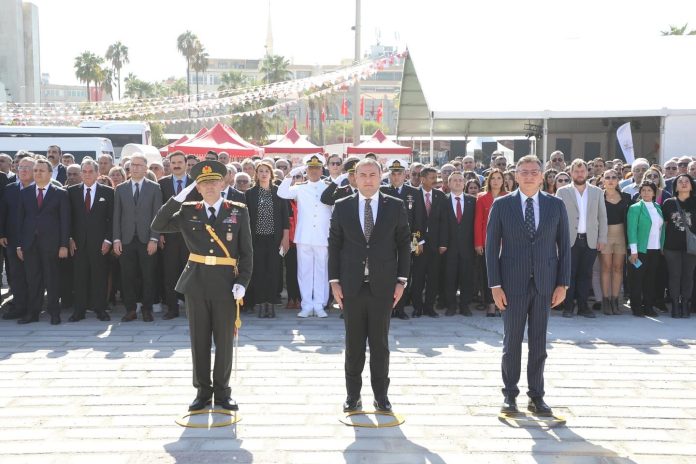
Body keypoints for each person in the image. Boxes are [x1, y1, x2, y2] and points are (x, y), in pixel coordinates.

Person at [152, 160, 253, 412]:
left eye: (214, 182)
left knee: (224, 341)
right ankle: (202, 392)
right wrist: (178, 198)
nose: (209, 187)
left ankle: (223, 392)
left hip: (225, 283)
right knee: (199, 340)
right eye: (203, 183)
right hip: (196, 283)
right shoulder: (188, 211)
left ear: (223, 183)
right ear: (197, 187)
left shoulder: (238, 211)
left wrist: (242, 281)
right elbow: (158, 224)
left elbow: (247, 252)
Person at [486, 155, 571, 417]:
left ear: (542, 175)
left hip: (545, 284)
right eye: (524, 171)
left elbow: (564, 246)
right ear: (516, 175)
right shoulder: (502, 205)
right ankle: (510, 395)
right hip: (512, 284)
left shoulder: (556, 205)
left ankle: (537, 396)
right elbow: (491, 247)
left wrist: (563, 283)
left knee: (539, 343)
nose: (529, 176)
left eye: (534, 171)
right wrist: (495, 285)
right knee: (511, 341)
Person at [328, 158, 411, 413]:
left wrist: (401, 281)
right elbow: (335, 245)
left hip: (383, 286)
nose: (367, 179)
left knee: (380, 345)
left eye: (372, 174)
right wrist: (334, 281)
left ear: (380, 176)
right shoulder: (342, 206)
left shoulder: (394, 205)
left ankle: (381, 396)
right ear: (354, 177)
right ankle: (353, 396)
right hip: (351, 286)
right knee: (353, 345)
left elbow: (403, 244)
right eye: (362, 174)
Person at [16, 157, 70, 325]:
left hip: (51, 245)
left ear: (50, 173)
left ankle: (54, 313)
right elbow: (20, 221)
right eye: (35, 170)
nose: (37, 173)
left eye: (41, 170)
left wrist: (63, 245)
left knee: (52, 279)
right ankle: (33, 313)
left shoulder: (60, 193)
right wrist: (19, 245)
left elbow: (65, 221)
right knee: (33, 280)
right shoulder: (25, 193)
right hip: (30, 244)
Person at [278, 153, 332, 318]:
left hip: (322, 235)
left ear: (322, 169)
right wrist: (292, 173)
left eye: (317, 168)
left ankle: (320, 304)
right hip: (304, 236)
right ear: (306, 170)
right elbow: (282, 192)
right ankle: (307, 305)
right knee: (304, 272)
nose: (314, 171)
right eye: (310, 168)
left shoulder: (328, 187)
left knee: (322, 271)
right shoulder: (300, 187)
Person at [112, 153, 163, 322]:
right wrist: (116, 239)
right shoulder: (121, 188)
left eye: (138, 165)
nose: (134, 168)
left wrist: (154, 239)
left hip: (147, 239)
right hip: (126, 240)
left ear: (145, 168)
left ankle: (147, 309)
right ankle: (131, 309)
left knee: (148, 276)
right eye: (132, 165)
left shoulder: (154, 188)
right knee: (127, 277)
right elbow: (117, 216)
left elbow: (157, 215)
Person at [556, 159, 607, 318]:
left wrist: (602, 238)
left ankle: (583, 306)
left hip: (590, 240)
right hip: (569, 240)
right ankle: (568, 306)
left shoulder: (597, 192)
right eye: (576, 171)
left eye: (582, 171)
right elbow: (557, 218)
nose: (579, 174)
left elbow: (602, 217)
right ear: (571, 173)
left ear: (587, 172)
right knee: (569, 274)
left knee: (586, 274)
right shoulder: (562, 192)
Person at [67, 159, 114, 322]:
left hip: (100, 243)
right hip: (78, 244)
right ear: (81, 173)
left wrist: (108, 240)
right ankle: (79, 311)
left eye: (90, 171)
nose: (87, 175)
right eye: (84, 172)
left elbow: (112, 218)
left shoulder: (108, 192)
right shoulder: (71, 192)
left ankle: (100, 309)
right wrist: (70, 238)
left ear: (97, 173)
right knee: (79, 278)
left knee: (99, 277)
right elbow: (68, 218)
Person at [157, 151, 201, 320]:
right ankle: (172, 308)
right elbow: (159, 211)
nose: (176, 165)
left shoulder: (196, 183)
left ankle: (192, 309)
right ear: (169, 164)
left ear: (186, 163)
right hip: (169, 236)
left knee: (191, 273)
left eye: (179, 162)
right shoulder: (162, 184)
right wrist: (160, 233)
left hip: (192, 236)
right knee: (170, 273)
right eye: (173, 162)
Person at [245, 162, 290, 318]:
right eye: (261, 171)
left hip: (274, 239)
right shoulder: (250, 193)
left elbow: (285, 217)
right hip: (256, 239)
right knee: (259, 271)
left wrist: (285, 238)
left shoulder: (278, 192)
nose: (264, 174)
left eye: (266, 171)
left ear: (271, 174)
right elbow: (246, 218)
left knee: (273, 271)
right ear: (256, 175)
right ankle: (261, 304)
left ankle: (271, 304)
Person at [380, 159, 422, 320]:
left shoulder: (414, 192)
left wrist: (416, 241)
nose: (396, 176)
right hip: (386, 240)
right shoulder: (382, 190)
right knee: (387, 274)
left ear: (405, 174)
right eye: (393, 173)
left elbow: (419, 218)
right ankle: (388, 308)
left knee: (404, 274)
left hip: (406, 240)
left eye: (399, 173)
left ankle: (401, 308)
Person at [410, 167, 448, 318]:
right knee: (417, 277)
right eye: (432, 177)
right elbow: (410, 221)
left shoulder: (440, 196)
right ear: (423, 179)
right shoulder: (413, 195)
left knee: (433, 277)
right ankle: (417, 307)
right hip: (417, 243)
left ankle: (429, 307)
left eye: (436, 177)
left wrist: (443, 243)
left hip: (435, 244)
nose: (435, 180)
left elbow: (444, 222)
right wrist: (417, 241)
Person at [0, 157, 35, 320]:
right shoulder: (10, 188)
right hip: (12, 239)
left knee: (33, 275)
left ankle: (34, 308)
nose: (23, 170)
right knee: (16, 275)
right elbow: (3, 212)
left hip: (35, 239)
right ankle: (19, 307)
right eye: (21, 167)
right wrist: (2, 233)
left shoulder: (40, 188)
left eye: (28, 167)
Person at [626, 181, 664, 317]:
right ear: (640, 192)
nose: (646, 193)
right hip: (640, 250)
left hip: (655, 249)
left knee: (650, 279)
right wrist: (634, 251)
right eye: (643, 190)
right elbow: (631, 230)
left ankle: (648, 307)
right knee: (637, 279)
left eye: (649, 190)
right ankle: (636, 307)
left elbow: (661, 229)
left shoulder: (658, 207)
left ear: (654, 193)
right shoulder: (635, 208)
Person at [660, 173, 696, 318]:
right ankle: (675, 304)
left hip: (691, 247)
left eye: (687, 181)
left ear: (692, 185)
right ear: (675, 187)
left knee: (688, 276)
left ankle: (685, 304)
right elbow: (663, 225)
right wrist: (661, 245)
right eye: (680, 181)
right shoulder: (668, 203)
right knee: (674, 275)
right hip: (671, 246)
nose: (684, 183)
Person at [474, 169, 507, 316]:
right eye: (493, 178)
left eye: (499, 178)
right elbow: (478, 222)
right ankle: (491, 304)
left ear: (503, 181)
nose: (496, 181)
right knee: (488, 275)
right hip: (487, 243)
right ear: (489, 180)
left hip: (506, 243)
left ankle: (503, 304)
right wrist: (478, 243)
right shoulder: (481, 197)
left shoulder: (509, 197)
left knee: (504, 275)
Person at [443, 172, 476, 316]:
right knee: (449, 277)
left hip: (467, 247)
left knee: (467, 277)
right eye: (454, 180)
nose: (458, 182)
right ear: (449, 183)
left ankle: (464, 306)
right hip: (448, 246)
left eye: (460, 180)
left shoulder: (472, 201)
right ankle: (451, 306)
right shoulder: (442, 200)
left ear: (464, 183)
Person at [600, 169, 631, 315]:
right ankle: (606, 301)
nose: (611, 180)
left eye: (614, 177)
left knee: (618, 268)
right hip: (605, 235)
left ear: (618, 180)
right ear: (603, 180)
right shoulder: (599, 196)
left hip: (621, 236)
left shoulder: (626, 197)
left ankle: (615, 300)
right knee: (606, 267)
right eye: (607, 177)